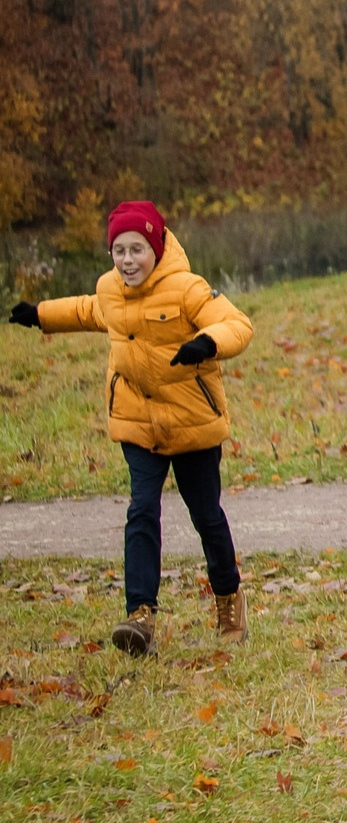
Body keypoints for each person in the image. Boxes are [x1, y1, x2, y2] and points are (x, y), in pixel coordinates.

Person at [10, 202, 255, 655]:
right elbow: (87, 310)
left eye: (137, 249)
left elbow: (237, 324)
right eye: (119, 250)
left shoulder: (186, 288)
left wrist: (207, 342)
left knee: (206, 516)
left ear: (156, 248)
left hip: (190, 423)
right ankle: (140, 615)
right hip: (137, 423)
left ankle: (228, 598)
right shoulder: (110, 290)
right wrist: (41, 314)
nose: (127, 260)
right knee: (142, 510)